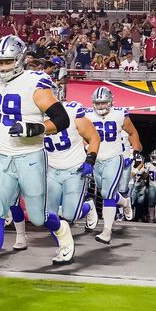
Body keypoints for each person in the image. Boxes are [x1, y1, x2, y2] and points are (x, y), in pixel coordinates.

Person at [0, 35, 71, 293]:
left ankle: (62, 232)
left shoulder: (35, 82)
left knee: (37, 217)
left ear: (20, 60)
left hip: (30, 157)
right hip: (2, 157)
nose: (2, 68)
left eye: (7, 62)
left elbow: (61, 119)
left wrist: (38, 127)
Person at [40, 101, 100, 263]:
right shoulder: (31, 115)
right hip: (51, 170)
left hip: (75, 169)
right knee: (47, 216)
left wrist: (90, 160)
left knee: (70, 215)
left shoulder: (72, 111)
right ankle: (64, 247)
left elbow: (94, 137)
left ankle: (88, 207)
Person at [84, 86, 142, 244]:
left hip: (114, 157)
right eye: (98, 103)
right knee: (104, 191)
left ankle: (107, 231)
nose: (101, 106)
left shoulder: (120, 114)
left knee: (108, 193)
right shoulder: (87, 115)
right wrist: (86, 147)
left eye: (104, 103)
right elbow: (83, 134)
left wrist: (135, 150)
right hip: (96, 159)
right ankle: (125, 202)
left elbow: (132, 133)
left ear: (110, 102)